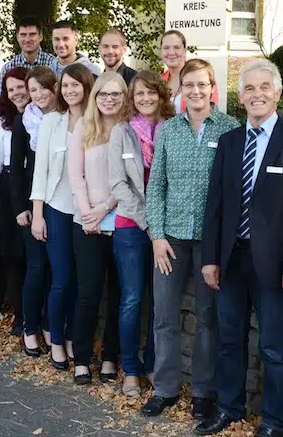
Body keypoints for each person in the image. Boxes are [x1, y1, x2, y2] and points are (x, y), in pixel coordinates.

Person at [196, 59, 283, 437]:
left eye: (264, 87)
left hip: (274, 265)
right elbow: (214, 203)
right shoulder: (231, 141)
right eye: (249, 89)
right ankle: (229, 409)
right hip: (231, 260)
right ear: (239, 96)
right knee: (229, 341)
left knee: (273, 348)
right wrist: (210, 259)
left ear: (278, 93)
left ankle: (275, 423)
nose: (257, 94)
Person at [142, 59, 240, 419]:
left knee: (206, 319)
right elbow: (156, 187)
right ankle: (165, 389)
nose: (196, 91)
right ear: (180, 89)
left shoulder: (230, 129)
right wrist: (155, 235)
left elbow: (235, 191)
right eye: (189, 85)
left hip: (210, 242)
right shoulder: (168, 130)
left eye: (203, 84)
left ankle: (203, 392)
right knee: (164, 316)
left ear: (213, 87)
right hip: (170, 240)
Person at [108, 70, 174, 397]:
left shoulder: (172, 131)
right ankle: (130, 370)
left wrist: (160, 224)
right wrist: (148, 222)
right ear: (131, 100)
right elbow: (118, 184)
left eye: (151, 93)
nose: (145, 99)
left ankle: (152, 364)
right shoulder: (121, 132)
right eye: (139, 94)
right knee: (133, 299)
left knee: (159, 302)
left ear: (161, 95)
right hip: (132, 229)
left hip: (166, 230)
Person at [30, 64, 94, 365]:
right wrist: (37, 213)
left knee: (81, 282)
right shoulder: (52, 122)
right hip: (56, 209)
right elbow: (40, 170)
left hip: (87, 212)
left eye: (75, 85)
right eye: (65, 85)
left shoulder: (97, 122)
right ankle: (55, 338)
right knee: (62, 279)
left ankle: (71, 337)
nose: (70, 90)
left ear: (86, 86)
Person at [68, 72, 129, 384]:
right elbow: (74, 176)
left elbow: (133, 179)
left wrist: (105, 207)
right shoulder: (83, 127)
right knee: (88, 293)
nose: (109, 99)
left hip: (120, 222)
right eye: (103, 94)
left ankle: (108, 357)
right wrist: (86, 211)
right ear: (95, 97)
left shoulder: (129, 129)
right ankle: (81, 359)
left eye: (115, 94)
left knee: (119, 295)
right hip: (87, 223)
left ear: (123, 96)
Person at [10, 66, 58, 356]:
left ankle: (52, 326)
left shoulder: (65, 118)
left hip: (60, 203)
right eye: (33, 90)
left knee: (56, 271)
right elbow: (15, 168)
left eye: (43, 88)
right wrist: (20, 208)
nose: (39, 94)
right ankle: (30, 328)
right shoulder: (23, 121)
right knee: (37, 267)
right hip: (31, 204)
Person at [0, 67, 30, 336]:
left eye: (20, 86)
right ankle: (20, 317)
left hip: (35, 186)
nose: (16, 93)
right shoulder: (0, 124)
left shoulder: (41, 117)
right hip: (8, 191)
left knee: (34, 258)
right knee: (13, 259)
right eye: (10, 89)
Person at [160, 30, 219, 114]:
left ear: (185, 50)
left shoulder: (202, 77)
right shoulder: (159, 81)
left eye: (176, 47)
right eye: (166, 48)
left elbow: (212, 113)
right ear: (161, 51)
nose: (171, 52)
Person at [0, 17, 56, 96]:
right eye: (23, 35)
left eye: (32, 34)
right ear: (17, 37)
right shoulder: (8, 68)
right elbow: (1, 99)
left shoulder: (53, 63)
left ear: (41, 37)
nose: (27, 39)